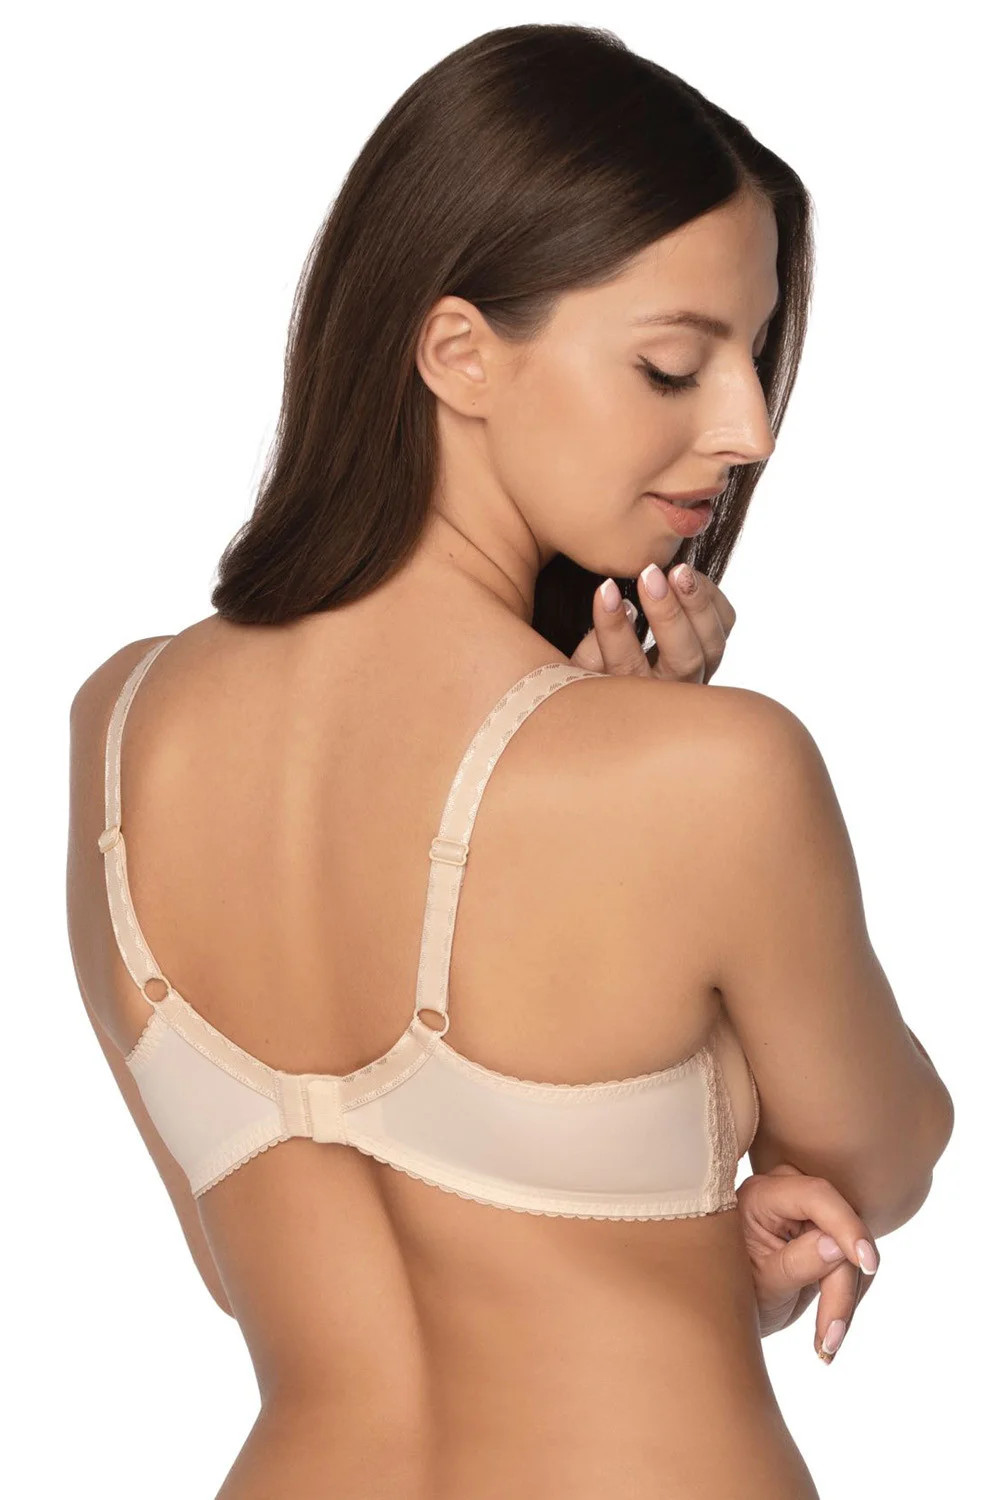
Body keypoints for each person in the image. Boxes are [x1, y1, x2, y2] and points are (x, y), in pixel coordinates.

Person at [65, 22, 954, 1499]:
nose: (746, 428)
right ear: (458, 353)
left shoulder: (119, 727)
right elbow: (885, 1157)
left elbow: (251, 1270)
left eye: (754, 361)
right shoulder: (714, 778)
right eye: (674, 364)